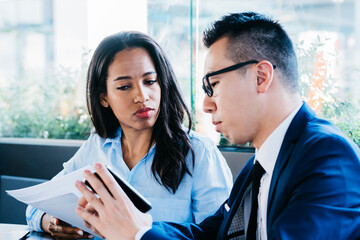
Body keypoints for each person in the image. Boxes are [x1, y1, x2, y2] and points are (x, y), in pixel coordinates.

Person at [75, 12, 360, 240]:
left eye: (214, 85)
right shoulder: (257, 168)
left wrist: (137, 234)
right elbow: (208, 234)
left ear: (261, 77)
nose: (206, 105)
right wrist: (137, 227)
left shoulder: (328, 156)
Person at [26, 31, 233, 239]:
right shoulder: (97, 147)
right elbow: (35, 206)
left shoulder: (199, 153)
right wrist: (50, 222)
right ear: (104, 98)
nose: (142, 97)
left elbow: (222, 234)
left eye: (150, 81)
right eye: (124, 87)